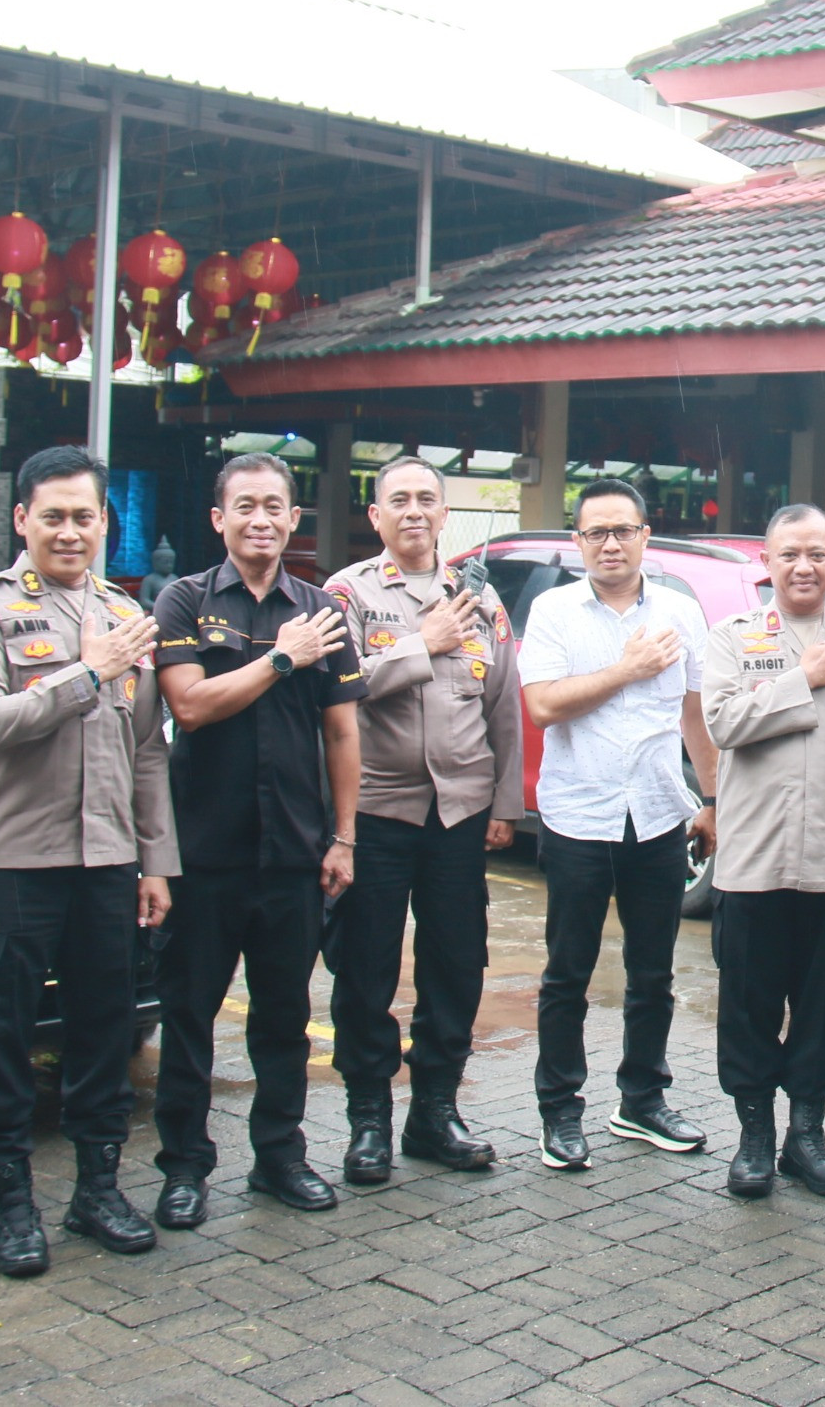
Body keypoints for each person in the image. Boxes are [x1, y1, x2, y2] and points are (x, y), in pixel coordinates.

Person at [0, 446, 174, 1277]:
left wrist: (155, 862)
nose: (71, 531)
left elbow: (148, 750)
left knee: (103, 1033)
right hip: (9, 864)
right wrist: (86, 674)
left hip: (106, 861)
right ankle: (12, 1209)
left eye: (86, 516)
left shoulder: (124, 613)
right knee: (0, 1040)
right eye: (54, 516)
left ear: (106, 523)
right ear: (21, 521)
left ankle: (96, 1191)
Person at [149, 453, 364, 1226]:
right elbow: (193, 707)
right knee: (189, 1014)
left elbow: (342, 733)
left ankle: (280, 1155)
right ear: (219, 519)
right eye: (245, 507)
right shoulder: (182, 602)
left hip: (294, 854)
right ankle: (184, 1167)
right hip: (202, 853)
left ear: (293, 518)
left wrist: (343, 838)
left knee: (282, 1015)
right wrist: (280, 659)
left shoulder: (321, 610)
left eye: (275, 506)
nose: (261, 520)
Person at [321, 455, 521, 1184]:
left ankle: (434, 1110)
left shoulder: (479, 599)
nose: (413, 511)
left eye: (426, 500)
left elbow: (503, 703)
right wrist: (420, 644)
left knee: (455, 963)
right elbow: (337, 692)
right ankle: (368, 1116)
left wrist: (504, 805)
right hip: (376, 809)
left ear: (445, 516)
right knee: (366, 967)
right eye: (397, 500)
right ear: (375, 516)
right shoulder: (346, 593)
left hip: (459, 813)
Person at [518, 477, 719, 1169]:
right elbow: (543, 706)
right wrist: (625, 667)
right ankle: (559, 1111)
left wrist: (714, 802)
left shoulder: (681, 613)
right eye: (595, 532)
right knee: (567, 973)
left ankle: (642, 1100)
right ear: (577, 542)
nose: (610, 543)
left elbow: (694, 716)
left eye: (622, 530)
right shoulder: (552, 611)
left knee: (653, 973)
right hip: (579, 817)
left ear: (644, 536)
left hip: (660, 816)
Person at [700, 505, 825, 1199]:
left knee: (819, 1007)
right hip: (754, 863)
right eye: (789, 554)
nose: (804, 566)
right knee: (748, 1005)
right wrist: (804, 677)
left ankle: (805, 1137)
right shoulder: (732, 637)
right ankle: (754, 1136)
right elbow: (722, 722)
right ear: (767, 560)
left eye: (817, 553)